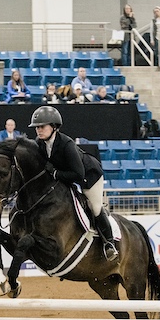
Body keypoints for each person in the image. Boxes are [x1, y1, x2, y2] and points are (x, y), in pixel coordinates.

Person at [30, 106, 119, 262]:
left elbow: (78, 174)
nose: (38, 130)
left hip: (89, 176)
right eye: (37, 127)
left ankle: (109, 244)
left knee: (94, 207)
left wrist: (56, 173)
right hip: (68, 176)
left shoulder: (66, 144)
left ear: (54, 127)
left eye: (42, 126)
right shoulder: (41, 143)